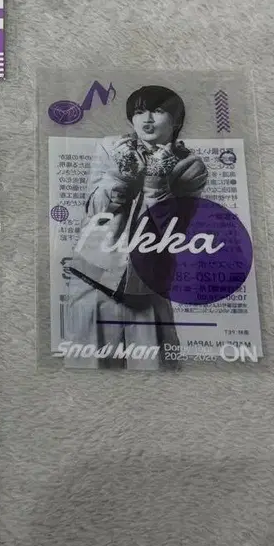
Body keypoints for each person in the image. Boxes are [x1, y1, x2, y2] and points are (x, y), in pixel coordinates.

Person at [63, 86, 209, 369]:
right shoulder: (111, 148)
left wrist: (156, 186)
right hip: (94, 276)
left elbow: (174, 232)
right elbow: (95, 210)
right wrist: (121, 177)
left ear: (176, 120)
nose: (147, 119)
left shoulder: (191, 166)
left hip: (148, 284)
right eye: (140, 112)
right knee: (88, 369)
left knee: (155, 370)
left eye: (158, 110)